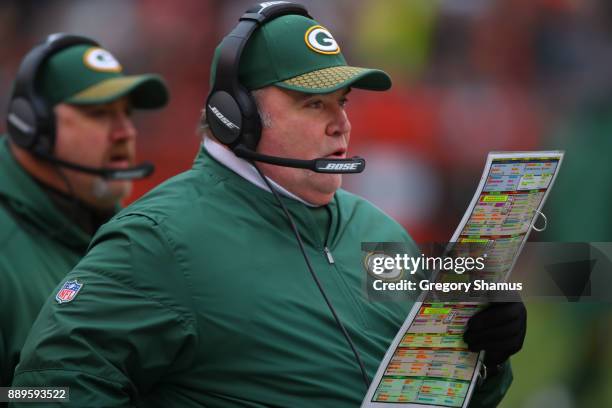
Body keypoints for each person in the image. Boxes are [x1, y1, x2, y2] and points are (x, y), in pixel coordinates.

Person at [12, 4, 524, 407]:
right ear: (236, 117)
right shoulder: (162, 238)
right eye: (312, 103)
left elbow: (435, 397)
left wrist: (486, 360)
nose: (340, 124)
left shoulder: (376, 228)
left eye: (342, 102)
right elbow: (48, 386)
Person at [0, 33, 168, 387]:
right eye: (100, 114)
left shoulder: (130, 235)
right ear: (32, 126)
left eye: (127, 113)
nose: (126, 132)